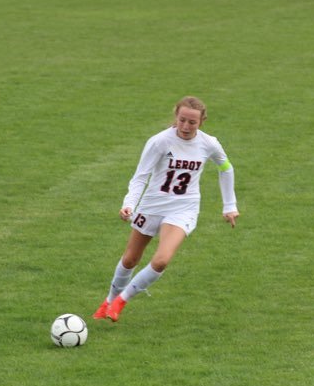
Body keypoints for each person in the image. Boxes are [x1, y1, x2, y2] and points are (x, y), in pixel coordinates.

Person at [93, 96, 239, 322]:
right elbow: (141, 176)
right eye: (182, 120)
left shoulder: (209, 143)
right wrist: (129, 203)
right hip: (152, 205)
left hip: (183, 209)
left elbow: (226, 168)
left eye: (192, 122)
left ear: (202, 122)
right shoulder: (159, 141)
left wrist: (229, 205)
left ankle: (122, 301)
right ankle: (109, 301)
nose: (186, 127)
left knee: (161, 260)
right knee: (131, 259)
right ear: (176, 117)